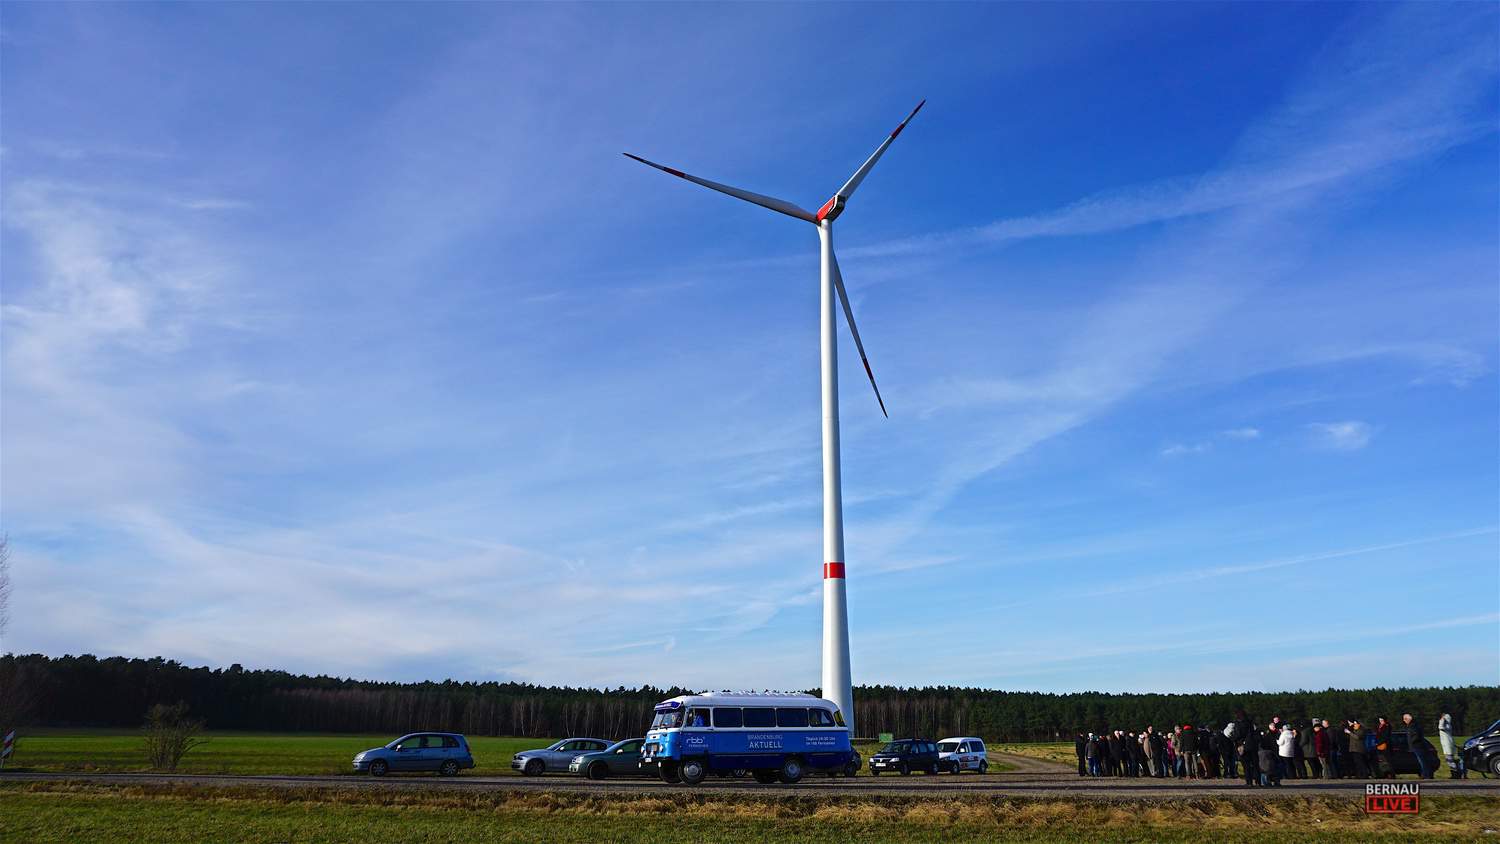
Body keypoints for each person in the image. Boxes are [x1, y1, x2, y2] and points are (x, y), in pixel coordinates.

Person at [1403, 713, 1434, 780]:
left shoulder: (1412, 726)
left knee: (1422, 761)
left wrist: (1412, 742)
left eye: (1404, 719)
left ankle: (1426, 775)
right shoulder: (1413, 725)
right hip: (1417, 745)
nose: (1404, 721)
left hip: (1417, 746)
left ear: (1407, 719)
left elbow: (1416, 735)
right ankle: (1426, 774)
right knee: (1423, 761)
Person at [1438, 712, 1465, 779]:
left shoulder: (1446, 726)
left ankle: (1455, 774)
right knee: (1451, 760)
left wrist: (1442, 719)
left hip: (1447, 745)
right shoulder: (1448, 725)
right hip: (1448, 744)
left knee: (1449, 760)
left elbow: (1440, 727)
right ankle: (1457, 773)